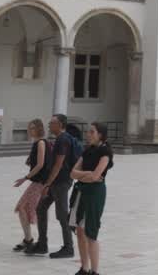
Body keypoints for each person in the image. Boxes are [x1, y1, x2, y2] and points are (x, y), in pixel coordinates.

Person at [70, 122, 114, 275]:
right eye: (88, 131)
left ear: (100, 135)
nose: (88, 134)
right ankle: (84, 268)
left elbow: (96, 176)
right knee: (79, 230)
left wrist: (84, 175)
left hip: (95, 193)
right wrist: (87, 174)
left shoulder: (105, 152)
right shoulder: (87, 150)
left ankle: (95, 271)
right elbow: (72, 173)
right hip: (81, 191)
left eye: (92, 132)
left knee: (91, 233)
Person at [39, 114, 77, 260]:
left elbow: (58, 164)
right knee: (41, 208)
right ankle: (42, 244)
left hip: (60, 182)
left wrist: (47, 184)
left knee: (62, 214)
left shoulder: (63, 139)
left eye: (52, 123)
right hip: (56, 181)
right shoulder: (61, 138)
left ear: (60, 124)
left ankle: (68, 247)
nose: (49, 125)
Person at [12, 118, 50, 253]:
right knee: (25, 208)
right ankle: (29, 239)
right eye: (29, 128)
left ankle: (32, 240)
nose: (30, 130)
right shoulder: (37, 143)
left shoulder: (41, 143)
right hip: (37, 182)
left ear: (39, 128)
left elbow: (40, 164)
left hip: (40, 183)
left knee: (24, 207)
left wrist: (25, 178)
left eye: (33, 128)